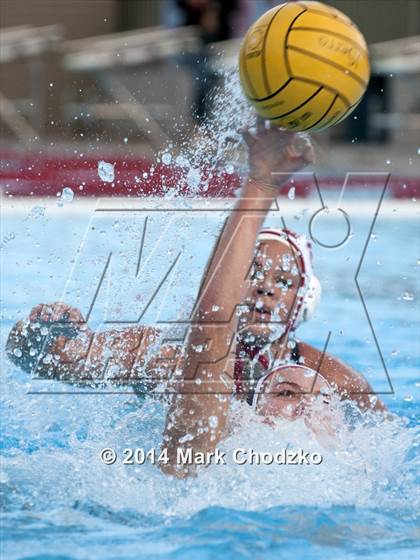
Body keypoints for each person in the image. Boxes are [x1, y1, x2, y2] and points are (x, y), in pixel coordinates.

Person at [6, 120, 386, 478]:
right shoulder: (165, 355)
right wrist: (37, 332)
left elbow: (387, 444)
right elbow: (40, 357)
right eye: (250, 272)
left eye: (283, 280)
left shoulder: (327, 376)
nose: (265, 287)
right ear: (227, 280)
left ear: (303, 301)